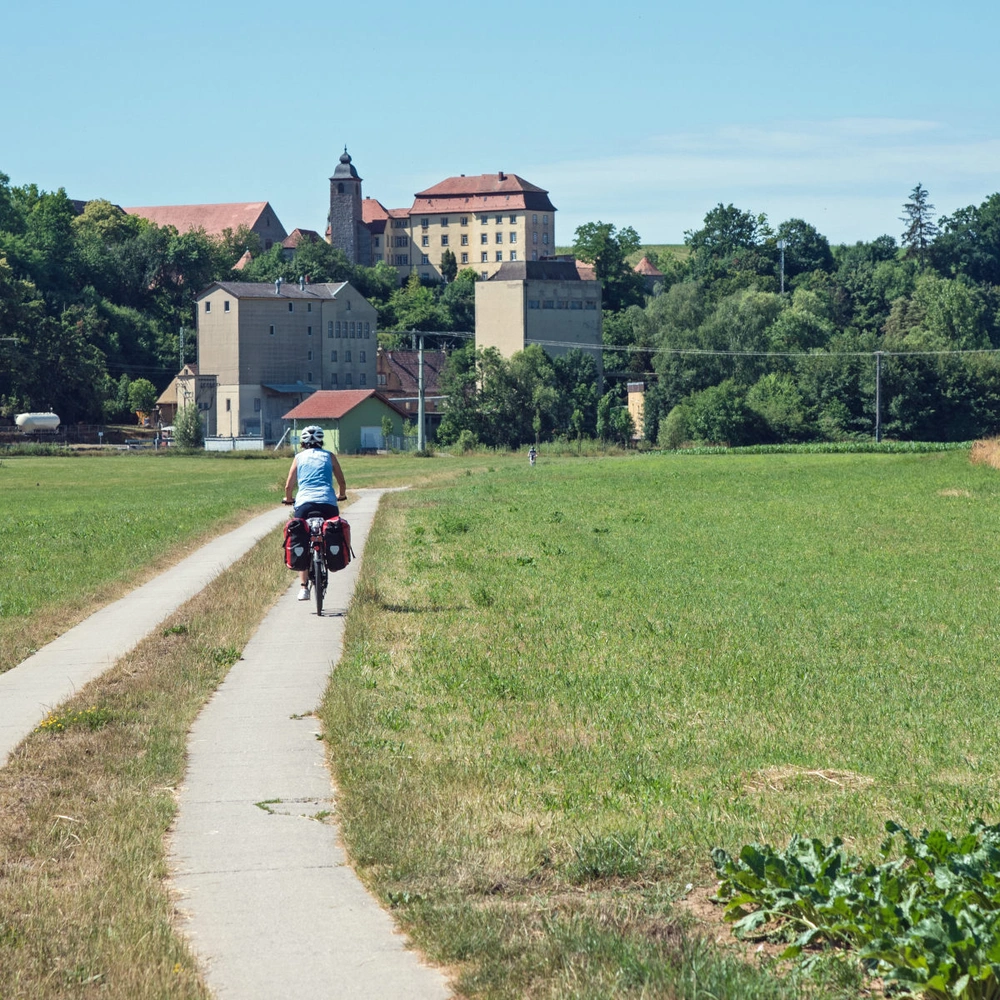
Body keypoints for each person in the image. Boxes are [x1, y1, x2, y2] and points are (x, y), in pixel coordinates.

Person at [283, 425, 347, 600]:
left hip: (304, 504)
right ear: (321, 441)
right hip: (328, 503)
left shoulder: (298, 457)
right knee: (330, 531)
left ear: (303, 442)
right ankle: (328, 555)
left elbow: (289, 485)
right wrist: (341, 495)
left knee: (302, 537)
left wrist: (288, 498)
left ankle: (304, 588)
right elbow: (341, 481)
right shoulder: (329, 456)